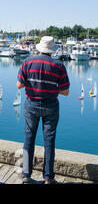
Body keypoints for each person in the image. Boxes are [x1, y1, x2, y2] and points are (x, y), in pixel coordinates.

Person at [16, 36, 70, 184]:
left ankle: (26, 174)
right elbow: (65, 92)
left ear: (39, 48)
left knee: (29, 139)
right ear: (52, 50)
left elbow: (19, 85)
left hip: (31, 105)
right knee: (49, 141)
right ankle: (48, 177)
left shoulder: (27, 62)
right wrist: (51, 88)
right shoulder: (59, 65)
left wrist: (33, 85)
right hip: (51, 106)